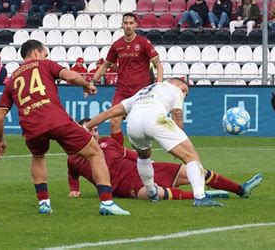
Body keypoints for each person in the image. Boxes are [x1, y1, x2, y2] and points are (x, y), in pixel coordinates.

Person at [0, 39, 130, 216]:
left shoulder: (11, 80)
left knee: (38, 156)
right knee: (95, 152)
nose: (45, 57)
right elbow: (71, 76)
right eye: (44, 54)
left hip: (31, 127)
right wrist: (87, 84)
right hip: (56, 119)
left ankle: (44, 203)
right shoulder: (45, 64)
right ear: (35, 53)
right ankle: (107, 203)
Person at [84, 78, 223, 207]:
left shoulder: (143, 91)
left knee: (144, 156)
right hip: (155, 118)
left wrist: (86, 126)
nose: (184, 95)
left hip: (133, 123)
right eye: (185, 91)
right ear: (179, 86)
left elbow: (110, 112)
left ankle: (151, 192)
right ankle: (200, 197)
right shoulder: (176, 89)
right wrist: (181, 137)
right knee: (191, 156)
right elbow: (177, 113)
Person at [68, 119, 263, 201]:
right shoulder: (74, 158)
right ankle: (204, 195)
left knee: (194, 171)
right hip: (121, 186)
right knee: (154, 194)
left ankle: (240, 189)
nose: (93, 134)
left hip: (139, 169)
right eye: (89, 130)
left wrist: (148, 164)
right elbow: (72, 174)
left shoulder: (108, 142)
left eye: (94, 130)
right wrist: (74, 189)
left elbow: (131, 154)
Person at [91, 12, 164, 146]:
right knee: (114, 123)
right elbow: (105, 65)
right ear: (122, 25)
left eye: (131, 23)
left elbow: (158, 64)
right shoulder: (117, 45)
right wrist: (91, 82)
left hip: (140, 92)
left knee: (140, 128)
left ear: (136, 25)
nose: (128, 26)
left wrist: (158, 86)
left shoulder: (143, 43)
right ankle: (117, 156)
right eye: (126, 23)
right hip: (122, 91)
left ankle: (144, 158)